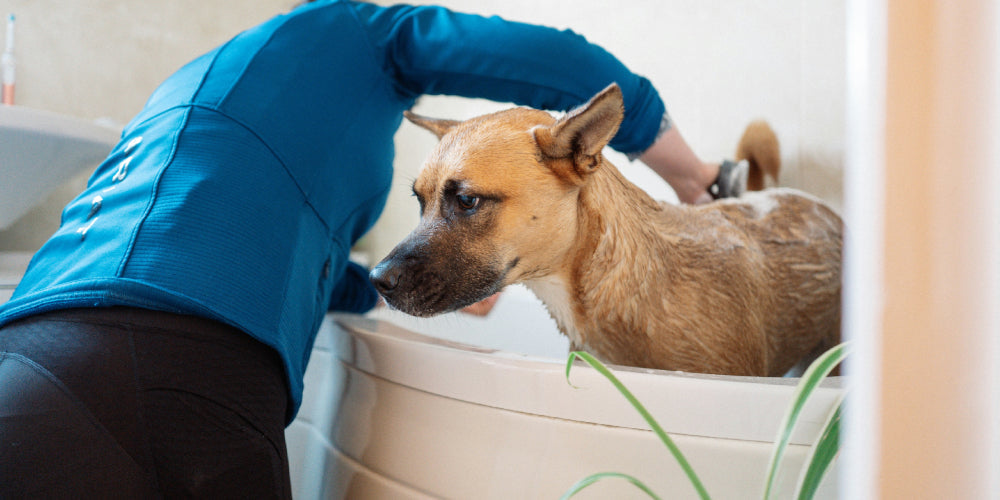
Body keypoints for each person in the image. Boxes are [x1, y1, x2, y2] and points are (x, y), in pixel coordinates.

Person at [0, 1, 745, 497]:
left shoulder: (218, 81)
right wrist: (697, 176)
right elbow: (563, 63)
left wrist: (393, 285)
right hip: (183, 372)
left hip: (32, 356)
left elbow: (294, 260)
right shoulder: (359, 29)